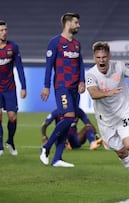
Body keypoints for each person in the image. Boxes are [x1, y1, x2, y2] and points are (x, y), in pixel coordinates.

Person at [85, 41, 129, 176]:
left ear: (109, 56)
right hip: (106, 120)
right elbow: (93, 93)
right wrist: (107, 93)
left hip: (123, 113)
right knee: (122, 152)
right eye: (98, 58)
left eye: (104, 57)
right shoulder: (91, 74)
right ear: (94, 58)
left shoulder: (119, 66)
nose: (101, 60)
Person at [40, 13, 85, 167]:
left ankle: (57, 158)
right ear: (67, 23)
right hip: (62, 86)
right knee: (68, 117)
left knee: (69, 120)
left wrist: (82, 81)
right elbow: (48, 66)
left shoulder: (77, 44)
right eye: (76, 22)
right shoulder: (55, 42)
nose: (78, 25)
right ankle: (46, 147)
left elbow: (80, 64)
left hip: (74, 88)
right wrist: (46, 86)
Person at [0, 20, 27, 156]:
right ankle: (0, 148)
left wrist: (24, 87)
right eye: (1, 30)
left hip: (10, 87)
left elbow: (20, 68)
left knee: (12, 117)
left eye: (5, 30)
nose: (4, 32)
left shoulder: (13, 47)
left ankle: (10, 141)